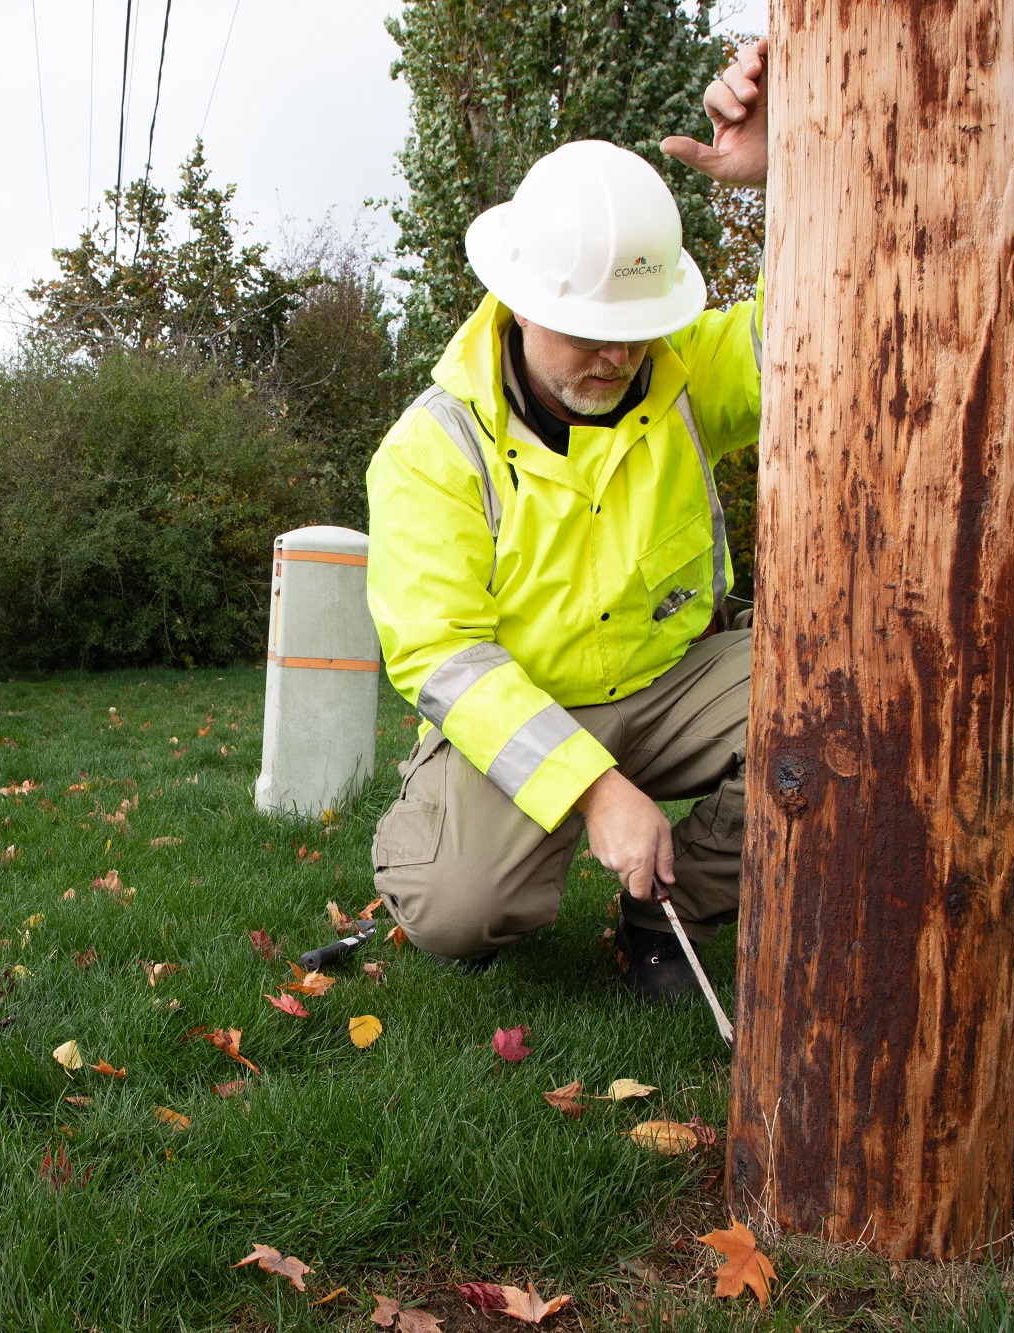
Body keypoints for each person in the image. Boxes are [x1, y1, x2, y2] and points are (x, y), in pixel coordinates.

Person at [366, 40, 769, 1000]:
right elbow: (445, 657)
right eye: (587, 330)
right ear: (517, 298)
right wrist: (592, 790)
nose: (616, 356)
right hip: (528, 699)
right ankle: (445, 827)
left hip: (676, 680)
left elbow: (832, 317)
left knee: (848, 704)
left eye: (635, 333)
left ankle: (666, 903)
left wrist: (783, 180)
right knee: (455, 906)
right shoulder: (432, 449)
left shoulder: (684, 369)